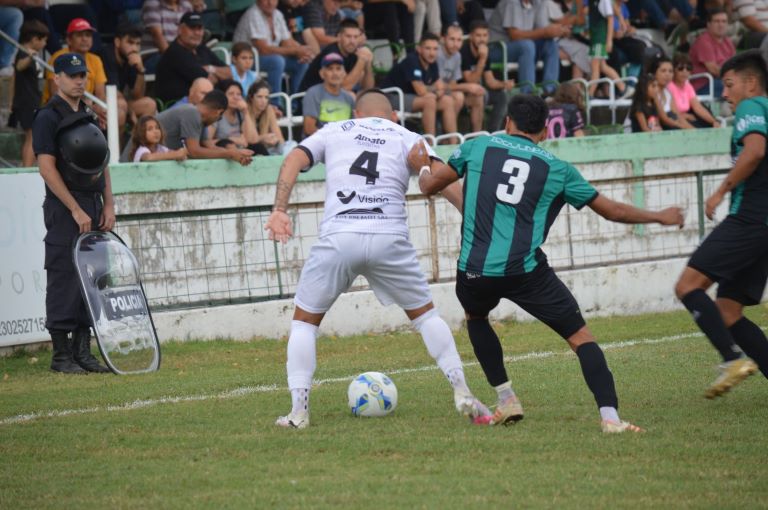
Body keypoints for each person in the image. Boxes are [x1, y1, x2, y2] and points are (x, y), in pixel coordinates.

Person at [414, 94, 684, 432]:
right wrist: (660, 216)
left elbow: (430, 186)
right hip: (525, 271)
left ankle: (507, 397)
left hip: (474, 270)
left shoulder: (477, 147)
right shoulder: (557, 169)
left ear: (507, 122)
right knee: (580, 337)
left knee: (476, 317)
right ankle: (610, 418)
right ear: (545, 130)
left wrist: (422, 164)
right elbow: (612, 211)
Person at [264, 88, 490, 429]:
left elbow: (294, 158)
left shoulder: (333, 131)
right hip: (389, 237)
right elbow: (446, 184)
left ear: (355, 113)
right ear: (394, 115)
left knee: (304, 324)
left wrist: (279, 209)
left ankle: (298, 412)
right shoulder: (408, 137)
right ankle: (462, 391)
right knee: (426, 316)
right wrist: (479, 227)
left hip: (339, 236)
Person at [674, 50, 768, 398]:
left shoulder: (752, 107)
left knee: (687, 286)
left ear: (751, 82)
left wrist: (719, 191)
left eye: (729, 85)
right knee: (728, 311)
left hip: (751, 218)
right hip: (763, 226)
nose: (725, 94)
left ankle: (730, 358)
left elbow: (755, 150)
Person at [33, 52, 114, 374]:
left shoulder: (91, 115)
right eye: (73, 75)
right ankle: (62, 356)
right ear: (58, 79)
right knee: (64, 276)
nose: (80, 80)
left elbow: (102, 163)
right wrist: (75, 209)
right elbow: (46, 168)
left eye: (83, 75)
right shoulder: (47, 116)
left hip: (93, 203)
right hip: (65, 206)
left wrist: (109, 204)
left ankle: (84, 351)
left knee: (93, 277)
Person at [382, 33, 459, 141]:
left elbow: (440, 87)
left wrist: (434, 91)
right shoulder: (412, 60)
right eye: (428, 48)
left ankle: (453, 144)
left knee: (447, 101)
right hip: (391, 97)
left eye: (435, 49)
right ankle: (431, 144)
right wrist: (434, 90)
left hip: (414, 98)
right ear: (419, 49)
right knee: (430, 100)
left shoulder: (432, 63)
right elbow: (421, 91)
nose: (432, 53)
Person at [233, 0, 315, 97]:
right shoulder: (253, 14)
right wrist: (295, 51)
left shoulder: (277, 14)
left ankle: (297, 103)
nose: (270, 2)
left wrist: (302, 52)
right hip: (248, 59)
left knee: (302, 62)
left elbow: (287, 42)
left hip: (268, 58)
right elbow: (263, 49)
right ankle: (275, 103)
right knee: (277, 61)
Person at [488, 0, 569, 95]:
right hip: (497, 48)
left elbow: (541, 30)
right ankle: (528, 93)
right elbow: (514, 35)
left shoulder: (536, 3)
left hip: (522, 47)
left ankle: (550, 90)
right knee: (527, 46)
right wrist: (545, 32)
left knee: (550, 44)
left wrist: (558, 31)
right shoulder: (512, 2)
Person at [155, 12, 231, 103]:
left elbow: (230, 73)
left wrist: (211, 68)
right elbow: (207, 81)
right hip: (178, 106)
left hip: (203, 104)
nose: (197, 33)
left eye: (200, 28)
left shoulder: (201, 49)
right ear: (180, 30)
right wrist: (218, 74)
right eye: (192, 28)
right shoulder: (175, 52)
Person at [43, 18, 107, 124]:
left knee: (113, 113)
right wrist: (87, 106)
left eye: (88, 35)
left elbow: (100, 95)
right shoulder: (59, 57)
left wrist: (99, 109)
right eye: (79, 35)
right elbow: (55, 93)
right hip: (57, 108)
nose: (85, 39)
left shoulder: (95, 60)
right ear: (69, 40)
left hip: (85, 106)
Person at [99, 23, 157, 130]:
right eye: (130, 43)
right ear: (117, 42)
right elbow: (114, 93)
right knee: (121, 105)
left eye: (137, 44)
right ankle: (118, 147)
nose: (134, 48)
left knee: (150, 104)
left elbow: (137, 95)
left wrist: (140, 70)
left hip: (121, 103)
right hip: (98, 104)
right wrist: (130, 113)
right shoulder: (107, 54)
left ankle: (140, 143)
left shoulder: (130, 57)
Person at [460, 20, 515, 132]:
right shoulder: (464, 51)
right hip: (462, 94)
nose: (482, 39)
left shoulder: (485, 51)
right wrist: (482, 59)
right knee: (480, 95)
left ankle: (493, 132)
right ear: (471, 36)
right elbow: (471, 80)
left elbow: (490, 82)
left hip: (478, 92)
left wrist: (504, 84)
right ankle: (477, 135)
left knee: (502, 97)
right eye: (478, 35)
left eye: (485, 35)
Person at [299, 19, 375, 93]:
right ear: (339, 37)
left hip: (329, 97)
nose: (352, 41)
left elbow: (368, 88)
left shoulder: (354, 53)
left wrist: (367, 65)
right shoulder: (332, 54)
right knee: (351, 96)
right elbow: (343, 88)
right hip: (311, 98)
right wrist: (361, 61)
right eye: (348, 36)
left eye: (355, 37)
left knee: (367, 97)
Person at [11, 19, 48, 168]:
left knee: (33, 136)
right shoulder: (23, 53)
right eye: (44, 40)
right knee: (31, 137)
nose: (45, 44)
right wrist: (30, 57)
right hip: (26, 102)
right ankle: (27, 168)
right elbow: (19, 66)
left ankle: (29, 167)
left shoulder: (32, 55)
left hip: (33, 100)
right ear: (34, 39)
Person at [439, 23, 486, 133]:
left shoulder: (457, 55)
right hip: (433, 93)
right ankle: (448, 137)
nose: (455, 44)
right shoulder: (438, 54)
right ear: (443, 38)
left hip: (446, 92)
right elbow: (439, 86)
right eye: (452, 39)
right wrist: (467, 87)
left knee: (477, 96)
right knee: (458, 96)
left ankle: (477, 137)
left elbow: (452, 85)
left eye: (459, 40)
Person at [586, 0, 631, 99]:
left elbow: (610, 19)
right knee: (603, 67)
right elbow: (613, 5)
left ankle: (590, 94)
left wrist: (609, 41)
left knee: (595, 69)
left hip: (599, 40)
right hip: (596, 39)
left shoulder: (603, 1)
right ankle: (623, 87)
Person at [302, 52, 355, 136]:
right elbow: (309, 129)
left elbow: (353, 127)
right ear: (322, 74)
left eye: (338, 69)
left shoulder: (349, 98)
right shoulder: (312, 93)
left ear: (344, 73)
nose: (335, 73)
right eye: (330, 69)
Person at [208, 80, 265, 155]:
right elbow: (206, 143)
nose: (236, 97)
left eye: (238, 94)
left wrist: (246, 112)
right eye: (231, 94)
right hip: (223, 152)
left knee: (258, 147)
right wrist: (231, 140)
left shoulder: (240, 114)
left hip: (240, 151)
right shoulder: (216, 115)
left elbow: (253, 140)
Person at [689, 8, 734, 97]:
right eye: (717, 21)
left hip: (721, 82)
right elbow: (714, 70)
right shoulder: (704, 41)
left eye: (724, 21)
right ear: (708, 24)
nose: (721, 25)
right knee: (736, 87)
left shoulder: (728, 42)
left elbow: (735, 65)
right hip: (703, 85)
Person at [668, 53, 720, 128]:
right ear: (674, 70)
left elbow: (697, 107)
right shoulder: (669, 86)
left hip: (687, 116)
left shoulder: (688, 86)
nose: (685, 71)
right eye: (681, 68)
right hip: (675, 119)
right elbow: (672, 113)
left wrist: (714, 121)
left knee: (703, 108)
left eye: (688, 68)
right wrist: (685, 116)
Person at [650, 56, 695, 130]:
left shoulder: (668, 93)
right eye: (663, 71)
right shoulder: (652, 91)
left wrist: (693, 130)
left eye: (670, 71)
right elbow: (664, 119)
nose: (667, 74)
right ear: (654, 73)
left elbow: (678, 116)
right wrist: (684, 127)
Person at [247, 80, 288, 155]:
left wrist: (275, 140)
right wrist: (263, 138)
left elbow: (280, 138)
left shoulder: (269, 109)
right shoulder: (245, 110)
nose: (263, 101)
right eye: (259, 97)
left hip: (266, 148)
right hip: (250, 148)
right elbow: (249, 139)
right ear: (251, 97)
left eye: (266, 97)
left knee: (290, 146)